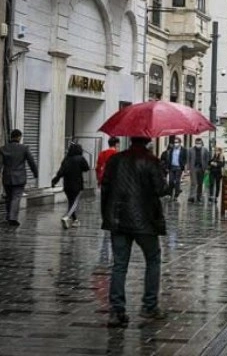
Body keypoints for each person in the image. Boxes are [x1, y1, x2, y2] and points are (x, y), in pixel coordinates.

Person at [101, 137, 170, 328]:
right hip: (145, 221)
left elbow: (105, 186)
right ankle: (149, 305)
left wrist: (107, 216)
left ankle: (116, 311)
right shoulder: (151, 161)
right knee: (153, 259)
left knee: (119, 264)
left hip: (119, 219)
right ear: (147, 141)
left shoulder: (115, 160)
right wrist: (164, 174)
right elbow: (161, 190)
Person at [0, 129, 38, 226]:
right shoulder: (24, 148)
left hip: (7, 177)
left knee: (9, 197)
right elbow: (31, 162)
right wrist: (35, 173)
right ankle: (12, 217)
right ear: (19, 137)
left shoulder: (3, 149)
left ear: (11, 137)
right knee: (16, 197)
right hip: (19, 177)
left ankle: (9, 215)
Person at [51, 143, 90, 229]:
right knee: (74, 203)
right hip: (77, 185)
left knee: (71, 203)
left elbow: (60, 172)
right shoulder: (80, 159)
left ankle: (75, 220)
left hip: (67, 185)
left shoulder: (66, 159)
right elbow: (87, 168)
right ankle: (67, 217)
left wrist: (54, 181)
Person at [187, 138, 210, 203]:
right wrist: (188, 169)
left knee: (200, 183)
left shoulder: (205, 150)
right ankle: (191, 197)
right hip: (193, 168)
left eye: (199, 143)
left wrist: (207, 169)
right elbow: (188, 159)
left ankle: (199, 196)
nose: (198, 144)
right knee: (193, 183)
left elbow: (207, 160)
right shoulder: (190, 150)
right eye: (197, 143)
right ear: (195, 143)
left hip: (202, 168)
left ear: (201, 143)